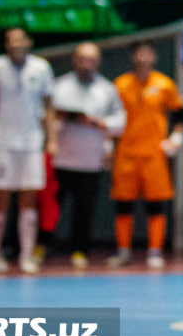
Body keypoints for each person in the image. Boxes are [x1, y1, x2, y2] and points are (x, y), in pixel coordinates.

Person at [0, 27, 58, 275]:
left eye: (19, 39)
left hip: (31, 144)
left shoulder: (41, 68)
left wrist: (52, 140)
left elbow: (49, 107)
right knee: (0, 199)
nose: (15, 43)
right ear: (5, 45)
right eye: (9, 40)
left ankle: (26, 256)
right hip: (3, 142)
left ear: (28, 41)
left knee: (29, 200)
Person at [41, 43, 125, 269]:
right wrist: (61, 119)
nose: (87, 64)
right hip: (60, 158)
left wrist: (97, 122)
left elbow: (120, 122)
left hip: (90, 160)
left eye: (92, 60)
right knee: (50, 207)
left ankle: (80, 250)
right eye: (82, 59)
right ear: (74, 60)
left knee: (84, 209)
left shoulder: (107, 89)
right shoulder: (59, 86)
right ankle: (42, 245)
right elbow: (43, 115)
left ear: (98, 62)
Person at [109, 40, 183, 269]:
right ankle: (123, 252)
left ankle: (154, 252)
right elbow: (111, 117)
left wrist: (176, 137)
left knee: (155, 204)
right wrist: (107, 145)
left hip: (154, 154)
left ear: (153, 56)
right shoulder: (120, 85)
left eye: (147, 53)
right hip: (126, 152)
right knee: (123, 204)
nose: (143, 58)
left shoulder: (164, 84)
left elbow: (180, 113)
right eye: (138, 54)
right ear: (133, 57)